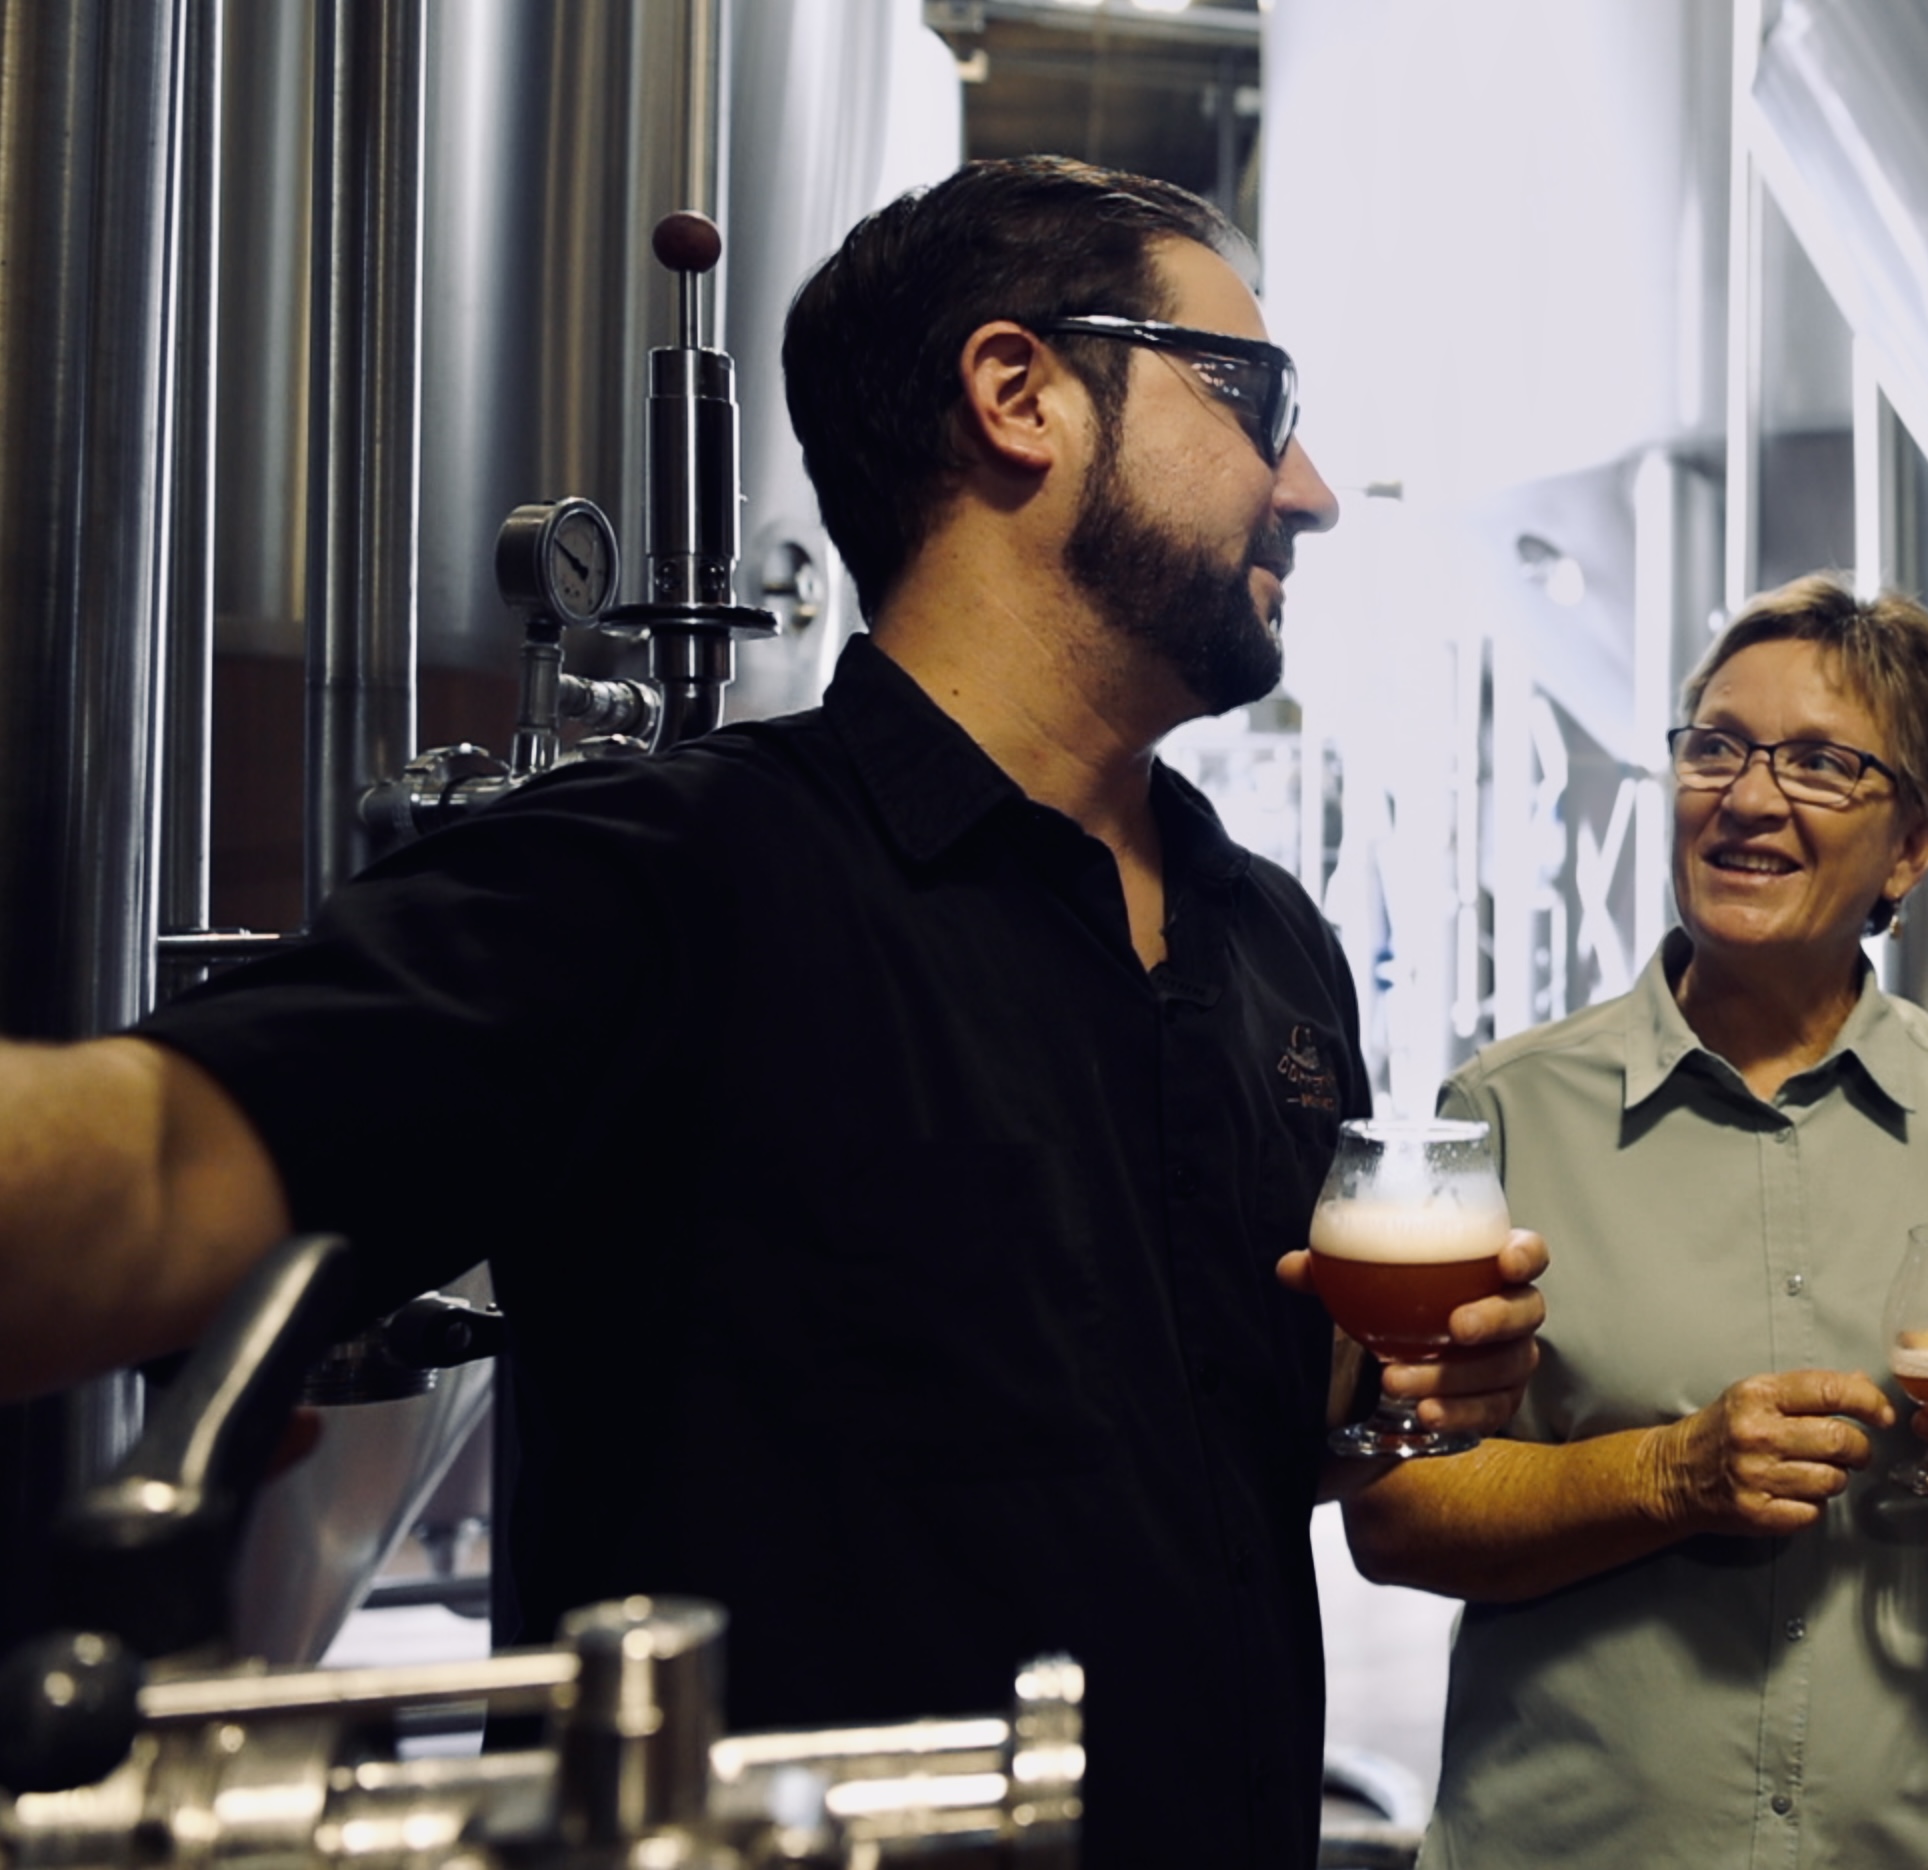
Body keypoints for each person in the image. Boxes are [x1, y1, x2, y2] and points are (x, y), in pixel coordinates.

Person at [0, 156, 1546, 1866]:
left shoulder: (1270, 942)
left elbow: (1198, 1425)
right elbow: (155, 1160)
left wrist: (1375, 1390)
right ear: (1020, 393)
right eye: (1255, 397)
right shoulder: (669, 880)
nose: (1308, 491)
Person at [1337, 575, 1928, 1868]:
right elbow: (1395, 1514)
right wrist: (1669, 1476)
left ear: (1913, 847)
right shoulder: (1509, 1112)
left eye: (1820, 763)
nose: (1749, 797)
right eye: (1716, 747)